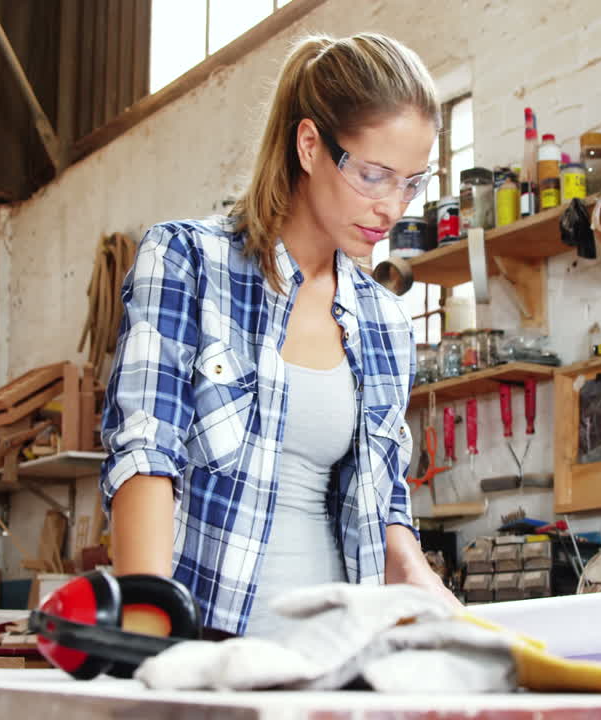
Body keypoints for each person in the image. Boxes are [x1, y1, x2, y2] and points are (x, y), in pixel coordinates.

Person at [100, 32, 459, 638]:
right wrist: (147, 630)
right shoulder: (189, 262)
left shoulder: (384, 321)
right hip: (208, 646)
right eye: (374, 175)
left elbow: (385, 513)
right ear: (310, 145)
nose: (392, 208)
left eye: (412, 182)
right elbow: (146, 455)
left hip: (337, 654)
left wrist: (453, 617)